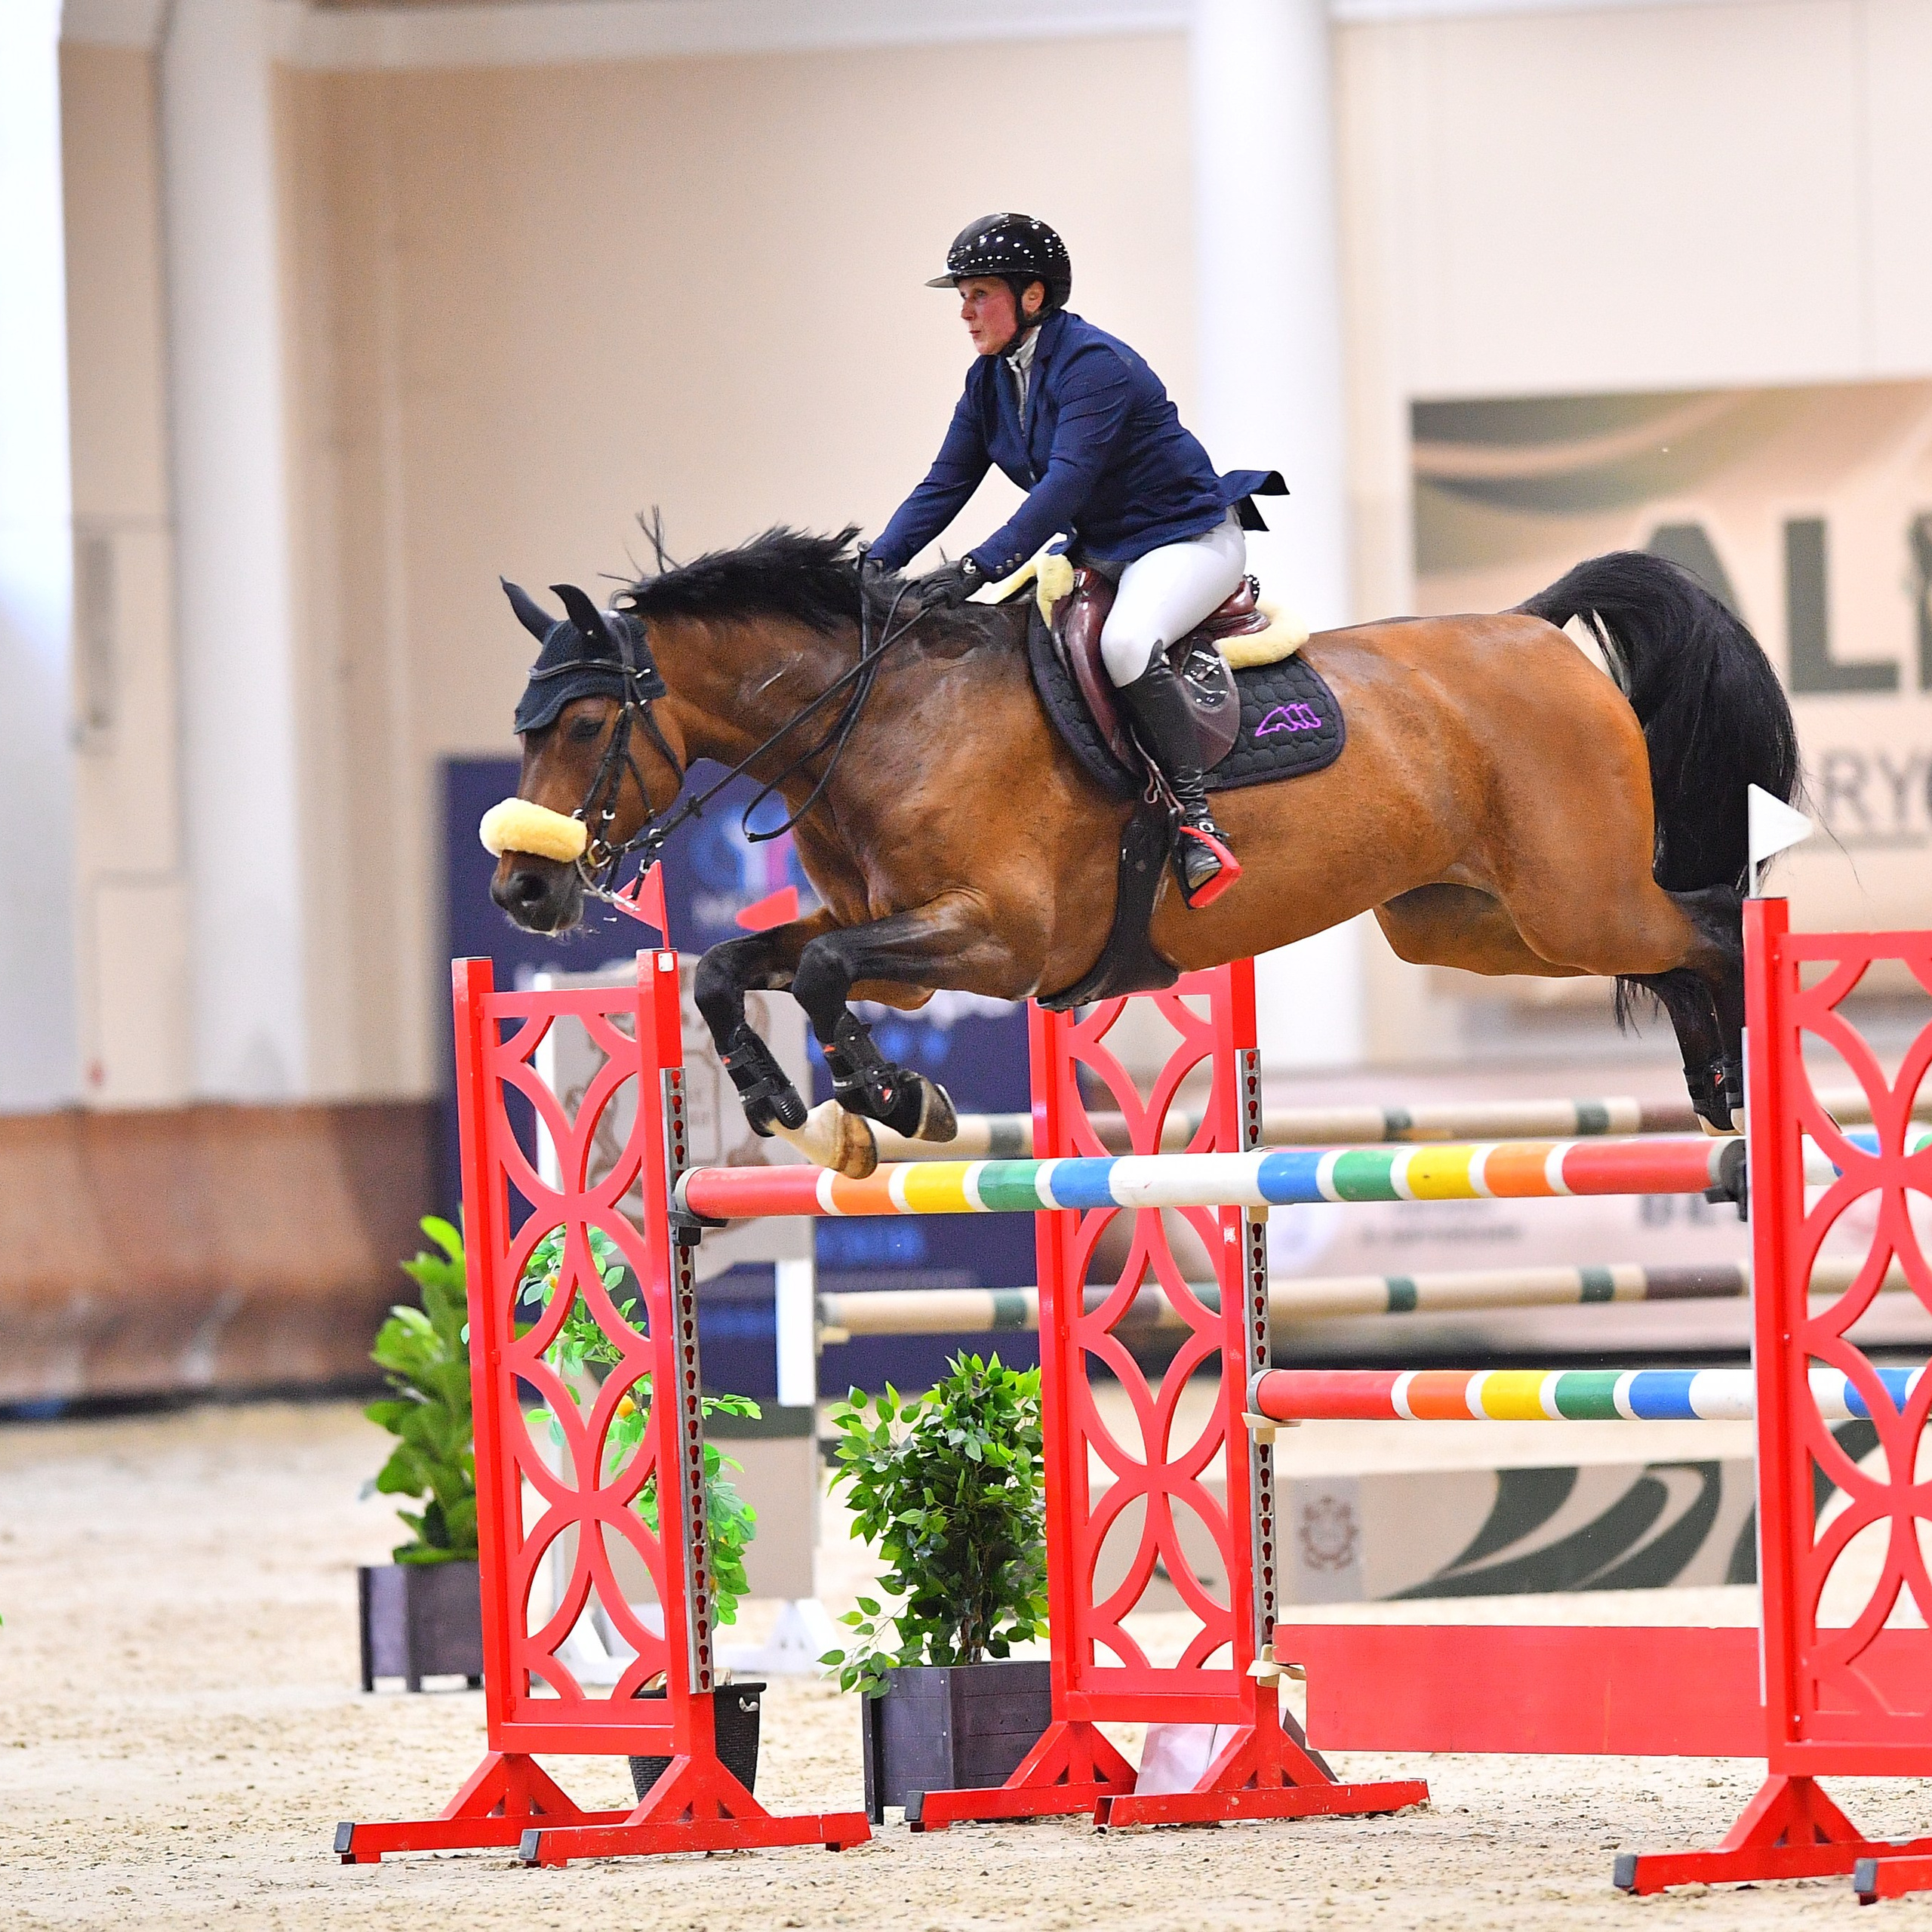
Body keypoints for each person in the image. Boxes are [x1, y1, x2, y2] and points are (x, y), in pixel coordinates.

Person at [867, 213, 1282, 905]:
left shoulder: (1094, 365)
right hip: (1107, 550)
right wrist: (872, 567)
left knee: (1125, 645)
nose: (965, 312)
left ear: (1033, 296)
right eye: (962, 297)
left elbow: (1066, 483)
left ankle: (1198, 820)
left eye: (980, 294)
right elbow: (944, 484)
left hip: (1185, 539)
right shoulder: (990, 380)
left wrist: (978, 567)